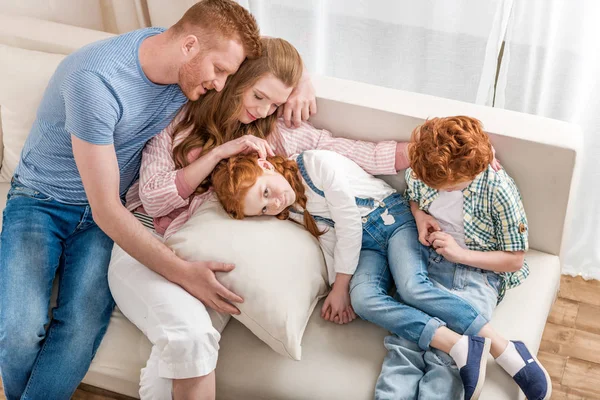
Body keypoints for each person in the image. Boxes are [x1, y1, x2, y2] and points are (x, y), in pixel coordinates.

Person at [107, 35, 410, 399]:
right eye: (259, 96)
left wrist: (428, 153)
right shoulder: (180, 121)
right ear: (236, 79)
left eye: (275, 103)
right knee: (189, 338)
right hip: (144, 240)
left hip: (201, 252)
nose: (265, 110)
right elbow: (153, 200)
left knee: (188, 347)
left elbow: (341, 149)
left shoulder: (271, 132)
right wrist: (218, 155)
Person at [0, 1, 265, 398]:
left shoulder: (183, 65)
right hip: (43, 200)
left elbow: (264, 64)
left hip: (110, 209)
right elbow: (106, 209)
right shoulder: (95, 80)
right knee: (19, 329)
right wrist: (183, 271)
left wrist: (302, 84)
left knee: (82, 324)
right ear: (189, 46)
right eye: (220, 71)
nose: (221, 84)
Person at [210, 116, 549, 400]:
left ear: (265, 164)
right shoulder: (292, 209)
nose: (274, 204)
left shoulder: (316, 163)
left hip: (393, 221)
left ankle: (501, 346)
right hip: (372, 247)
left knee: (412, 288)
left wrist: (341, 283)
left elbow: (347, 222)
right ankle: (460, 344)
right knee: (365, 299)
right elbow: (331, 241)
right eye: (264, 209)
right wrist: (337, 288)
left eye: (266, 193)